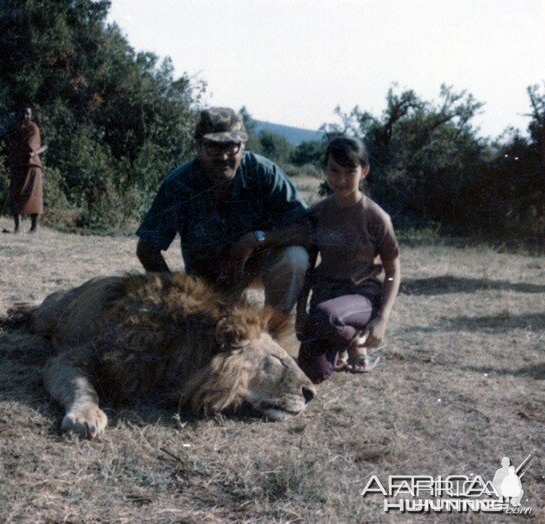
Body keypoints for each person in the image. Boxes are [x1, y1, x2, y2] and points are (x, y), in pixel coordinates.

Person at [136, 107, 311, 315]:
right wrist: (176, 294)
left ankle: (272, 329)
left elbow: (305, 228)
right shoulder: (179, 184)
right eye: (213, 147)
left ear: (243, 146)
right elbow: (147, 249)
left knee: (295, 257)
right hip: (206, 277)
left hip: (254, 266)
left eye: (232, 147)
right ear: (198, 146)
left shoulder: (264, 173)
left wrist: (254, 240)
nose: (223, 156)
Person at [296, 136, 401, 383]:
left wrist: (381, 318)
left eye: (350, 172)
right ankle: (340, 347)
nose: (341, 180)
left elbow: (393, 269)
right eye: (334, 171)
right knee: (313, 373)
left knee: (326, 316)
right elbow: (308, 266)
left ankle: (355, 342)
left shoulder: (376, 217)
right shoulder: (318, 213)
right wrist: (301, 311)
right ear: (325, 170)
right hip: (325, 298)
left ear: (363, 172)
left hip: (360, 296)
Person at [4, 106, 45, 234]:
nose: (25, 117)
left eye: (27, 114)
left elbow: (30, 147)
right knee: (15, 195)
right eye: (23, 114)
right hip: (18, 166)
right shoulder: (17, 130)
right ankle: (17, 228)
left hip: (32, 166)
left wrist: (20, 151)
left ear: (31, 115)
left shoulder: (33, 128)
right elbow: (13, 146)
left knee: (34, 197)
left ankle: (34, 228)